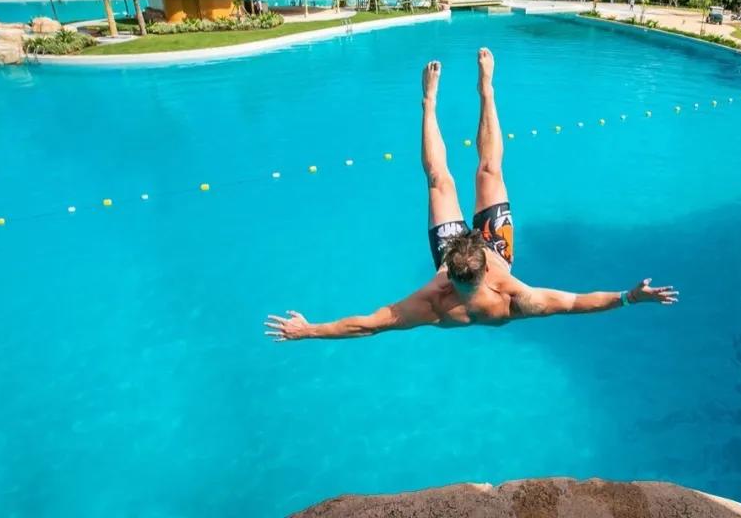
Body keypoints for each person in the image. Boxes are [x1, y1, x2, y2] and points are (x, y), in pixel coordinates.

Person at [264, 49, 677, 342]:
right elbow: (575, 303)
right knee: (489, 170)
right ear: (473, 267)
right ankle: (486, 92)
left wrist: (310, 330)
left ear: (458, 266)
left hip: (476, 252)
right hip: (499, 245)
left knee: (440, 178)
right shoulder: (513, 300)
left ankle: (433, 102)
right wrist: (629, 297)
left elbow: (368, 324)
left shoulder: (433, 303)